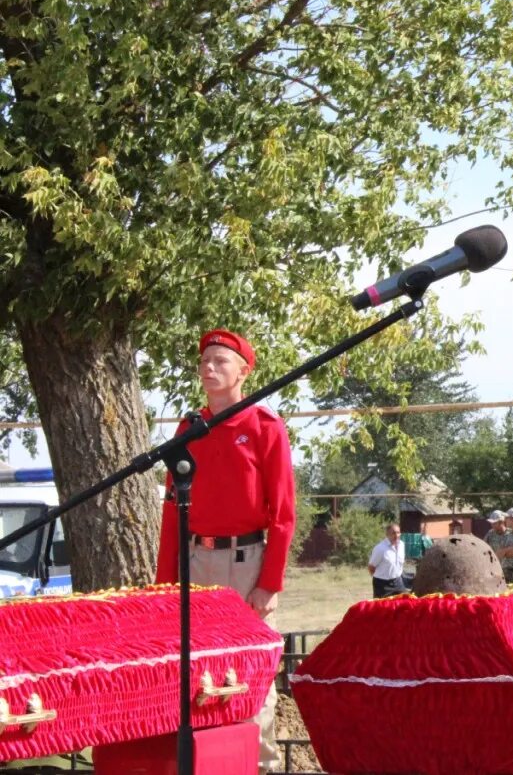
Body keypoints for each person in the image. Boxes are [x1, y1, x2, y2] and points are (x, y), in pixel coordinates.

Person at [155, 329, 296, 773]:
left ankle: (261, 765)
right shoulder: (187, 429)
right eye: (204, 362)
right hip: (195, 562)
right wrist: (165, 583)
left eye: (220, 360)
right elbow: (170, 510)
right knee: (198, 673)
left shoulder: (263, 426)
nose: (209, 368)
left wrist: (269, 583)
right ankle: (210, 764)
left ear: (243, 371)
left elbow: (283, 513)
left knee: (252, 672)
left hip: (245, 563)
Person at [367, 523, 408, 597]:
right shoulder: (380, 548)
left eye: (398, 532)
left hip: (398, 581)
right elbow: (371, 567)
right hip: (382, 584)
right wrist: (380, 576)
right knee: (381, 607)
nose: (396, 535)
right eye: (393, 533)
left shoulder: (402, 545)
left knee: (405, 602)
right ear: (387, 534)